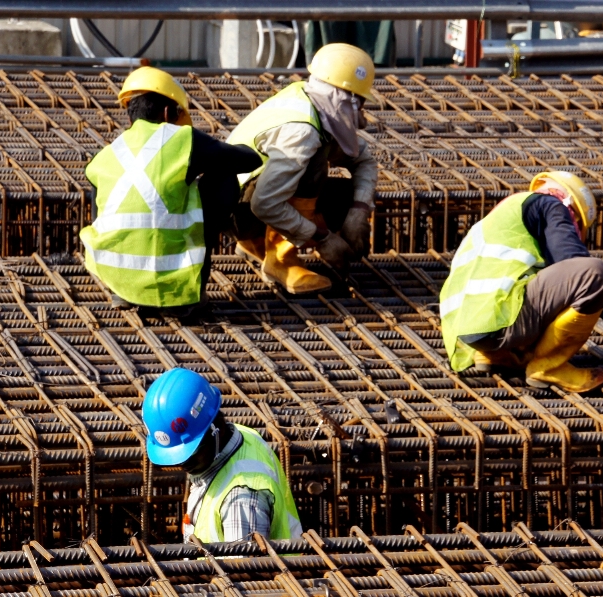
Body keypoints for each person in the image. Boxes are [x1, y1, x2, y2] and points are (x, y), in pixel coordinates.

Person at [439, 171, 603, 393]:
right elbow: (573, 261)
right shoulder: (552, 205)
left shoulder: (495, 221)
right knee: (593, 273)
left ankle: (496, 355)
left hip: (468, 332)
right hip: (500, 318)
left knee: (544, 282)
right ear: (574, 212)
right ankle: (549, 365)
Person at [81, 67, 262, 313]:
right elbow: (249, 160)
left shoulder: (104, 156)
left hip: (114, 274)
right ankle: (192, 293)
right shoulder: (182, 139)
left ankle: (122, 293)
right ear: (169, 112)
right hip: (175, 285)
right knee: (223, 174)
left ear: (130, 117)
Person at [226, 43, 379, 294]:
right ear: (346, 99)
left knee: (347, 195)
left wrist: (358, 211)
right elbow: (264, 204)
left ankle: (255, 244)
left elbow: (365, 160)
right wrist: (323, 238)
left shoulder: (308, 100)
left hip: (235, 200)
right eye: (360, 102)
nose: (361, 111)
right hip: (237, 211)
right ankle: (281, 260)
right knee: (313, 163)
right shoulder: (303, 131)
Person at [142, 368, 302, 543]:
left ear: (216, 428)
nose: (182, 463)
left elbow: (247, 569)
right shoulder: (243, 434)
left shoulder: (240, 500)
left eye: (191, 451)